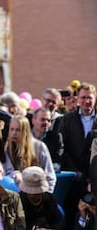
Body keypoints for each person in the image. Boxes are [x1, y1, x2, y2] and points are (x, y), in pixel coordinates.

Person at [59, 82, 97, 228]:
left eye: (90, 97)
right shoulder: (67, 119)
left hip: (95, 176)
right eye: (83, 97)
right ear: (77, 99)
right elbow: (63, 147)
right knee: (74, 213)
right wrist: (75, 171)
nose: (87, 101)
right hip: (74, 176)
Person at [6, 115, 56, 192]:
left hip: (38, 192)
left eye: (18, 130)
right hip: (17, 191)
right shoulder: (7, 147)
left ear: (25, 131)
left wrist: (47, 194)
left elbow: (50, 175)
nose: (14, 133)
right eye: (11, 129)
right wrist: (15, 174)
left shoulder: (39, 147)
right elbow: (6, 171)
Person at [31, 107, 64, 172]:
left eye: (48, 120)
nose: (46, 123)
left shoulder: (56, 138)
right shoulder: (24, 136)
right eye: (42, 120)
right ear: (33, 120)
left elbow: (57, 162)